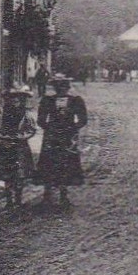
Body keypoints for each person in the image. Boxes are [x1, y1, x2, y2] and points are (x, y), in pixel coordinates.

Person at [34, 75, 88, 208]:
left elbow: (83, 119)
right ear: (55, 88)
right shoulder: (47, 101)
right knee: (48, 162)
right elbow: (41, 119)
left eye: (64, 86)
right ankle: (47, 195)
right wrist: (49, 128)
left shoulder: (76, 101)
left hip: (68, 137)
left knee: (66, 163)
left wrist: (73, 128)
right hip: (51, 137)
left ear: (68, 88)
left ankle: (64, 195)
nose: (61, 89)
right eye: (58, 87)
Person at [0, 86, 39, 209]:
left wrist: (21, 137)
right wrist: (3, 137)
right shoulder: (3, 114)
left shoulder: (26, 115)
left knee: (20, 173)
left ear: (21, 101)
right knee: (7, 173)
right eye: (12, 100)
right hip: (6, 146)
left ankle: (18, 198)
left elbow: (32, 129)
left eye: (17, 100)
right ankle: (9, 199)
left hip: (20, 147)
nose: (14, 103)